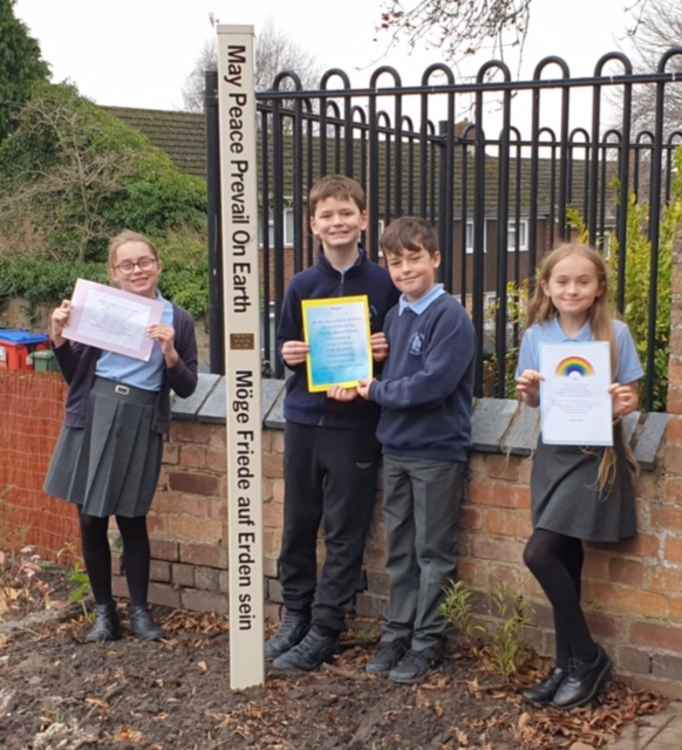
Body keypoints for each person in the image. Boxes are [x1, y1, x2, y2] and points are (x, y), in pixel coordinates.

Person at [267, 175, 399, 671]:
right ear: (313, 225)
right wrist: (289, 353)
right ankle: (295, 616)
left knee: (345, 529)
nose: (337, 222)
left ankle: (326, 628)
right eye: (327, 215)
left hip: (357, 424)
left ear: (364, 221)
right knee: (299, 522)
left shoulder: (385, 284)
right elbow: (286, 350)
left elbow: (396, 356)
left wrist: (382, 354)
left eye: (346, 213)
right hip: (304, 419)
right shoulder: (301, 285)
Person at [45, 230, 198, 643]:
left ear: (158, 264)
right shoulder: (98, 310)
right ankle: (104, 613)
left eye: (144, 261)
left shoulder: (177, 319)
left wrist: (171, 355)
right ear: (113, 273)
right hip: (94, 412)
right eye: (127, 264)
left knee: (131, 517)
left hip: (142, 415)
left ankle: (141, 612)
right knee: (91, 518)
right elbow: (76, 375)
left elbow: (186, 387)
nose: (137, 270)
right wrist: (59, 337)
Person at [516, 242, 642, 709]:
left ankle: (587, 659)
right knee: (564, 560)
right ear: (547, 287)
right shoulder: (537, 336)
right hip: (553, 453)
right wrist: (528, 391)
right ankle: (566, 664)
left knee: (540, 553)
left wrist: (626, 402)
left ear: (598, 288)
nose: (572, 289)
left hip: (594, 456)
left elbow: (629, 398)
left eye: (582, 281)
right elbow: (532, 399)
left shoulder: (616, 334)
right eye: (562, 281)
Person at [354, 216, 475, 684]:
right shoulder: (395, 315)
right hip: (397, 449)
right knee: (399, 551)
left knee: (433, 553)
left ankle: (428, 642)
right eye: (395, 262)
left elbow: (433, 385)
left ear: (436, 259)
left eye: (414, 259)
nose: (405, 270)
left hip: (436, 453)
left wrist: (376, 390)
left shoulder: (452, 317)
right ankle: (396, 634)